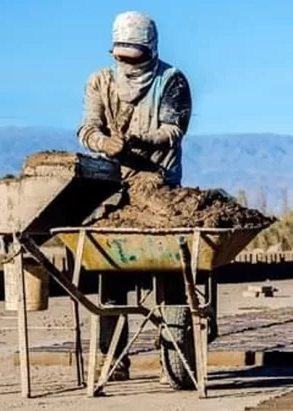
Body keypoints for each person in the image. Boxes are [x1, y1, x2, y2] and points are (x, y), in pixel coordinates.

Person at [78, 11, 192, 381]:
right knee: (111, 279)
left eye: (134, 57)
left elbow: (174, 129)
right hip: (116, 192)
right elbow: (87, 127)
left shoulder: (171, 80)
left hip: (160, 190)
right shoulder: (100, 82)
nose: (126, 64)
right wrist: (102, 142)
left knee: (170, 277)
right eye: (121, 57)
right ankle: (114, 359)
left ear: (150, 51)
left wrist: (142, 140)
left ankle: (173, 363)